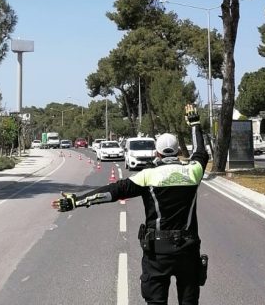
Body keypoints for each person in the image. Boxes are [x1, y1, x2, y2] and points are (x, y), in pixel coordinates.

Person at [52, 104, 209, 305]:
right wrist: (195, 124)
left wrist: (76, 201)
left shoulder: (147, 176)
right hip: (187, 250)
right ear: (178, 151)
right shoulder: (193, 172)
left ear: (157, 153)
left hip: (157, 253)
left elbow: (111, 192)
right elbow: (200, 152)